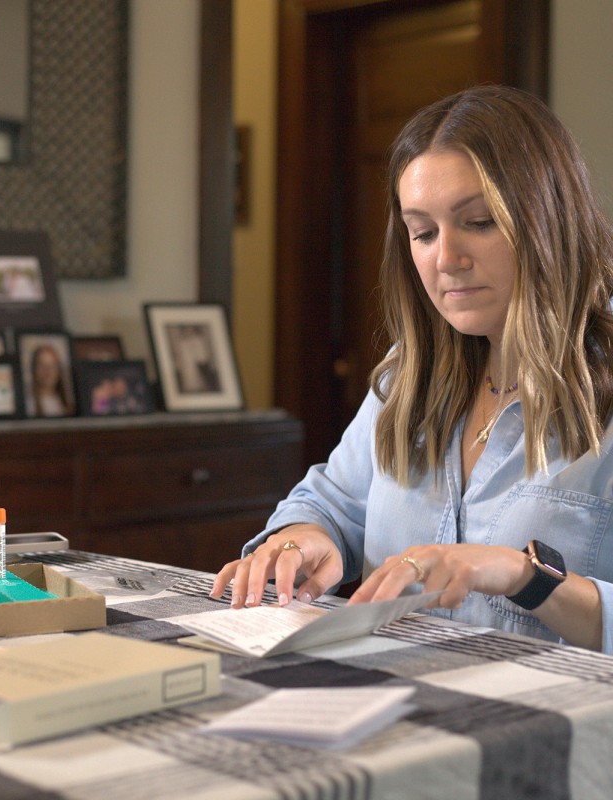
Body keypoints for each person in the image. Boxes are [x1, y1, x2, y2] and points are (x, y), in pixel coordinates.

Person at [211, 84, 613, 654]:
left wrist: (523, 576)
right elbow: (333, 502)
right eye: (422, 233)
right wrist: (304, 538)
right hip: (396, 711)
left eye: (477, 222)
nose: (446, 259)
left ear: (549, 217)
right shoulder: (409, 372)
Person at [27, 343, 74, 417]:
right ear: (34, 369)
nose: (48, 372)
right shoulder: (28, 404)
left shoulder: (69, 405)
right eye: (42, 366)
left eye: (53, 366)